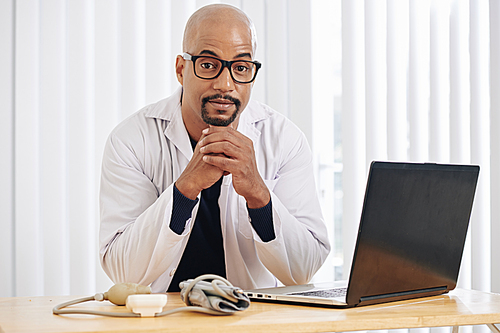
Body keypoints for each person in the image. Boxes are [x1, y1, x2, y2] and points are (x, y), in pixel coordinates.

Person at [99, 4, 330, 293]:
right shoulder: (132, 140)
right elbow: (123, 272)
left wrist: (259, 195)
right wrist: (185, 188)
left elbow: (302, 270)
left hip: (252, 318)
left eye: (241, 67)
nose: (226, 84)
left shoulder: (283, 140)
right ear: (182, 70)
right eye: (208, 65)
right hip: (160, 317)